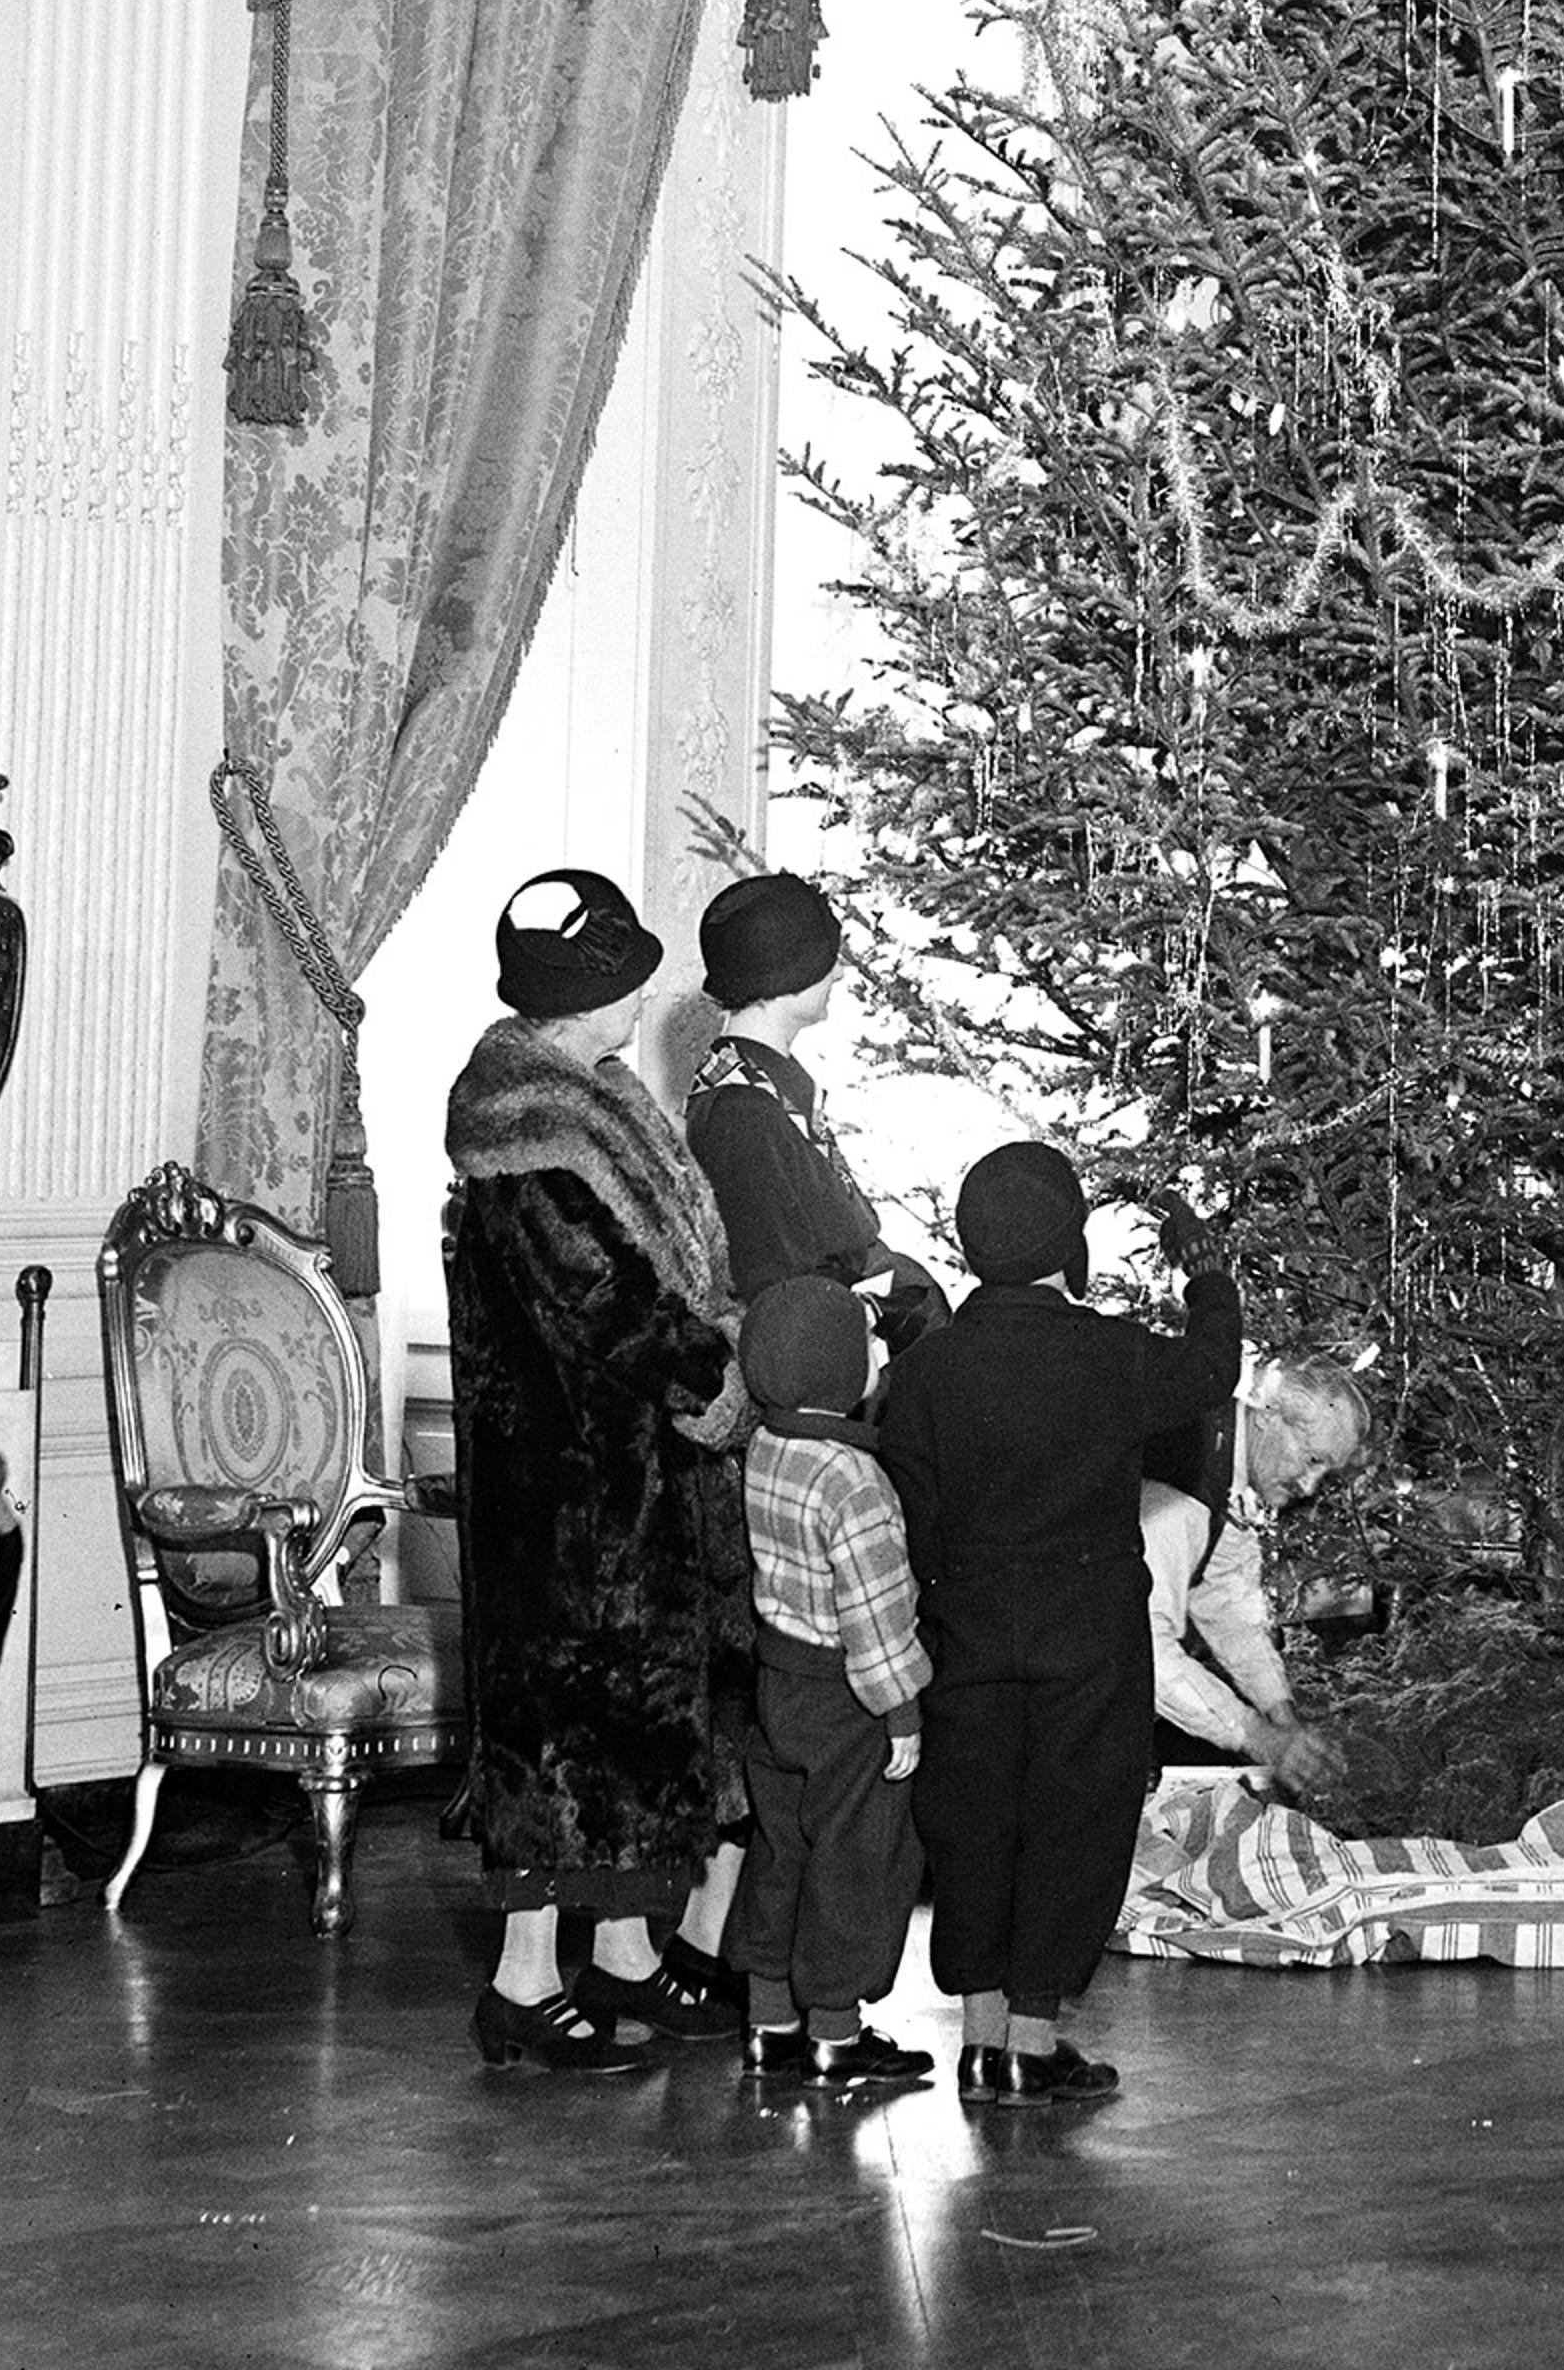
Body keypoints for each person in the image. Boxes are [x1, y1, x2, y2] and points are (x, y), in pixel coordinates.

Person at [446, 867, 755, 2075]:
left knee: (628, 1735)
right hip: (570, 1497)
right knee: (564, 1742)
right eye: (629, 976)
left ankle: (624, 1955)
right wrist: (712, 1379)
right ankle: (523, 1985)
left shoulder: (587, 1092)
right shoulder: (530, 1136)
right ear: (595, 993)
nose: (645, 995)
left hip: (619, 1488)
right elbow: (604, 1304)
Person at [879, 1140, 1240, 2103]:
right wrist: (1207, 1277)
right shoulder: (1108, 1355)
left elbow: (914, 1515)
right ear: (1069, 1245)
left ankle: (982, 2039)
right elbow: (1210, 1373)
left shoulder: (921, 1376)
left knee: (973, 1826)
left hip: (966, 1629)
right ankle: (1031, 2048)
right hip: (1087, 1633)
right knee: (1073, 1826)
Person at [732, 1277, 933, 2092]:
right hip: (846, 1698)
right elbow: (877, 1620)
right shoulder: (855, 1483)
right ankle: (835, 2036)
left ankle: (767, 2021)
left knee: (781, 1851)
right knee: (857, 1861)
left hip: (776, 1679)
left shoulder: (768, 1450)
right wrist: (903, 1712)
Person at [683, 869, 949, 1342]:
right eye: (828, 959)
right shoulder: (743, 1118)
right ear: (786, 975)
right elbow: (779, 1300)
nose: (842, 970)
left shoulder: (767, 1081)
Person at [1145, 1354, 1369, 1790]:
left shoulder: (1224, 1460)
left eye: (1324, 1473)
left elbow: (1226, 1601)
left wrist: (1281, 1715)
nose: (1309, 1486)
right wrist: (1259, 1737)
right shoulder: (1184, 1477)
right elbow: (1142, 1646)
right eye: (1311, 1460)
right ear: (1269, 1417)